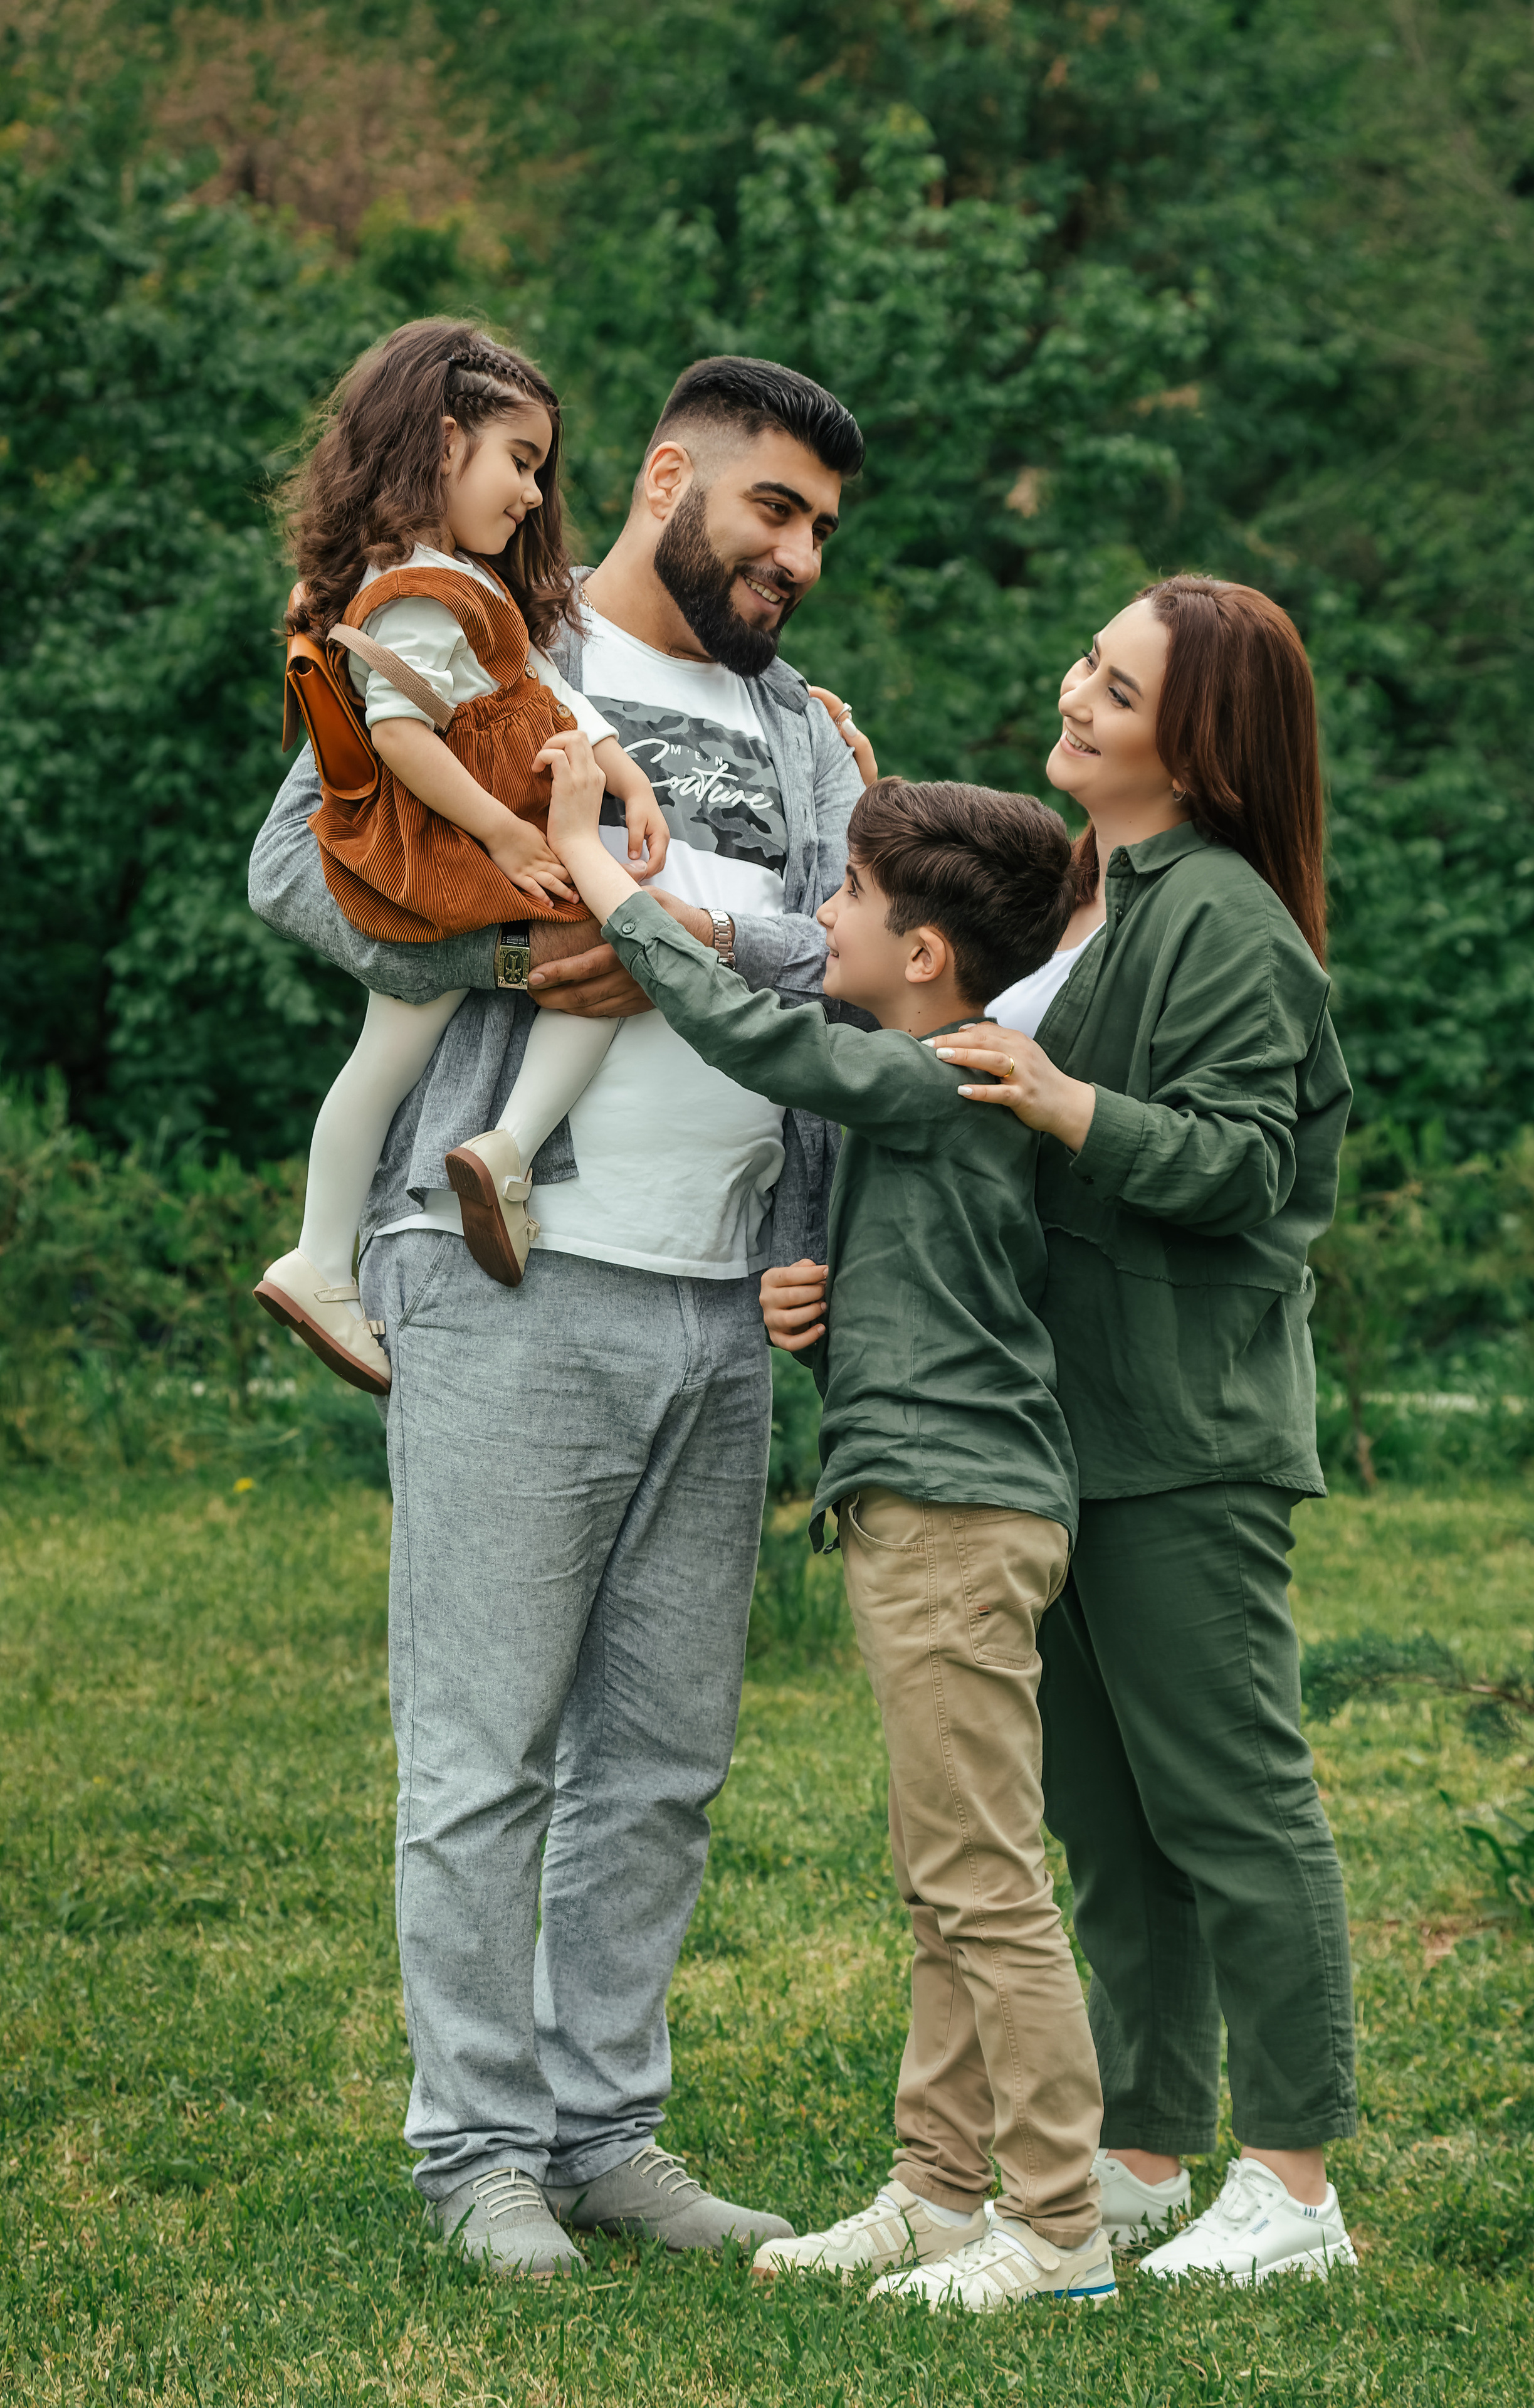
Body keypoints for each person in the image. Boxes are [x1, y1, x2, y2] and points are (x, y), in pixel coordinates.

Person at [248, 354, 866, 2276]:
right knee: (488, 1744)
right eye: (774, 509)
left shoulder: (812, 739)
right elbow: (302, 863)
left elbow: (850, 990)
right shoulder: (496, 632)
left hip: (720, 1298)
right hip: (516, 1275)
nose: (800, 557)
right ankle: (478, 2158)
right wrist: (513, 941)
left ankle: (607, 2135)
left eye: (826, 531)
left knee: (664, 1760)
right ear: (673, 474)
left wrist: (822, 1244)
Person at [543, 757, 1120, 2316]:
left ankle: (1058, 2227)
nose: (822, 918)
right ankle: (939, 2195)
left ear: (923, 956)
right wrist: (830, 1312)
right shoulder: (939, 1087)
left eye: (850, 899)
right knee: (945, 1876)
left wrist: (603, 882)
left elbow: (752, 1030)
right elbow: (949, 1283)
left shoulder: (945, 1072)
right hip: (930, 1493)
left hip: (954, 1511)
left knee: (983, 1883)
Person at [930, 576, 1360, 2284]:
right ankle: (1149, 2149)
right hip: (1068, 1430)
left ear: (1200, 740)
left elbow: (1254, 1166)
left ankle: (1298, 2187)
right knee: (1112, 1829)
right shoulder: (1096, 901)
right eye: (1088, 666)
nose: (1078, 693)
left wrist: (1067, 1105)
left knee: (1236, 1807)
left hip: (1184, 1433)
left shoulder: (1230, 923)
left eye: (1118, 685)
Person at [255, 322, 671, 1389]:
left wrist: (623, 774)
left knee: (386, 1058)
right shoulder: (417, 594)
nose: (535, 494)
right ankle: (503, 1152)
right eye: (519, 463)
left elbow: (547, 687)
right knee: (595, 956)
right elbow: (398, 734)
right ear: (444, 447)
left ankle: (327, 1249)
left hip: (469, 848)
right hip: (447, 857)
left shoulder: (461, 581)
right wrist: (502, 830)